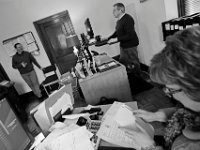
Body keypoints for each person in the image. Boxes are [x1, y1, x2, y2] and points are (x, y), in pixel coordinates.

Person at [121, 27, 200, 150]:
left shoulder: (189, 146)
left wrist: (150, 146)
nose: (167, 93)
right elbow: (184, 113)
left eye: (171, 89)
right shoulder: (195, 107)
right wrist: (155, 116)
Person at [108, 3, 140, 75]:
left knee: (134, 62)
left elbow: (130, 35)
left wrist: (116, 39)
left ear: (121, 10)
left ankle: (139, 77)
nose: (113, 12)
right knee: (123, 61)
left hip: (131, 45)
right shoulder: (119, 21)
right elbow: (117, 32)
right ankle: (129, 75)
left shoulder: (128, 19)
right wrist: (108, 38)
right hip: (123, 45)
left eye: (114, 10)